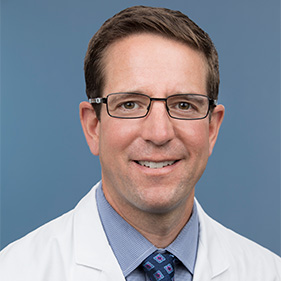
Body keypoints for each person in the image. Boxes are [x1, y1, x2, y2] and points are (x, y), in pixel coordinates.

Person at [0, 5, 280, 281]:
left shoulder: (269, 272)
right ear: (93, 126)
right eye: (130, 104)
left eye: (184, 104)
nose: (159, 133)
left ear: (211, 129)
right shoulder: (14, 272)